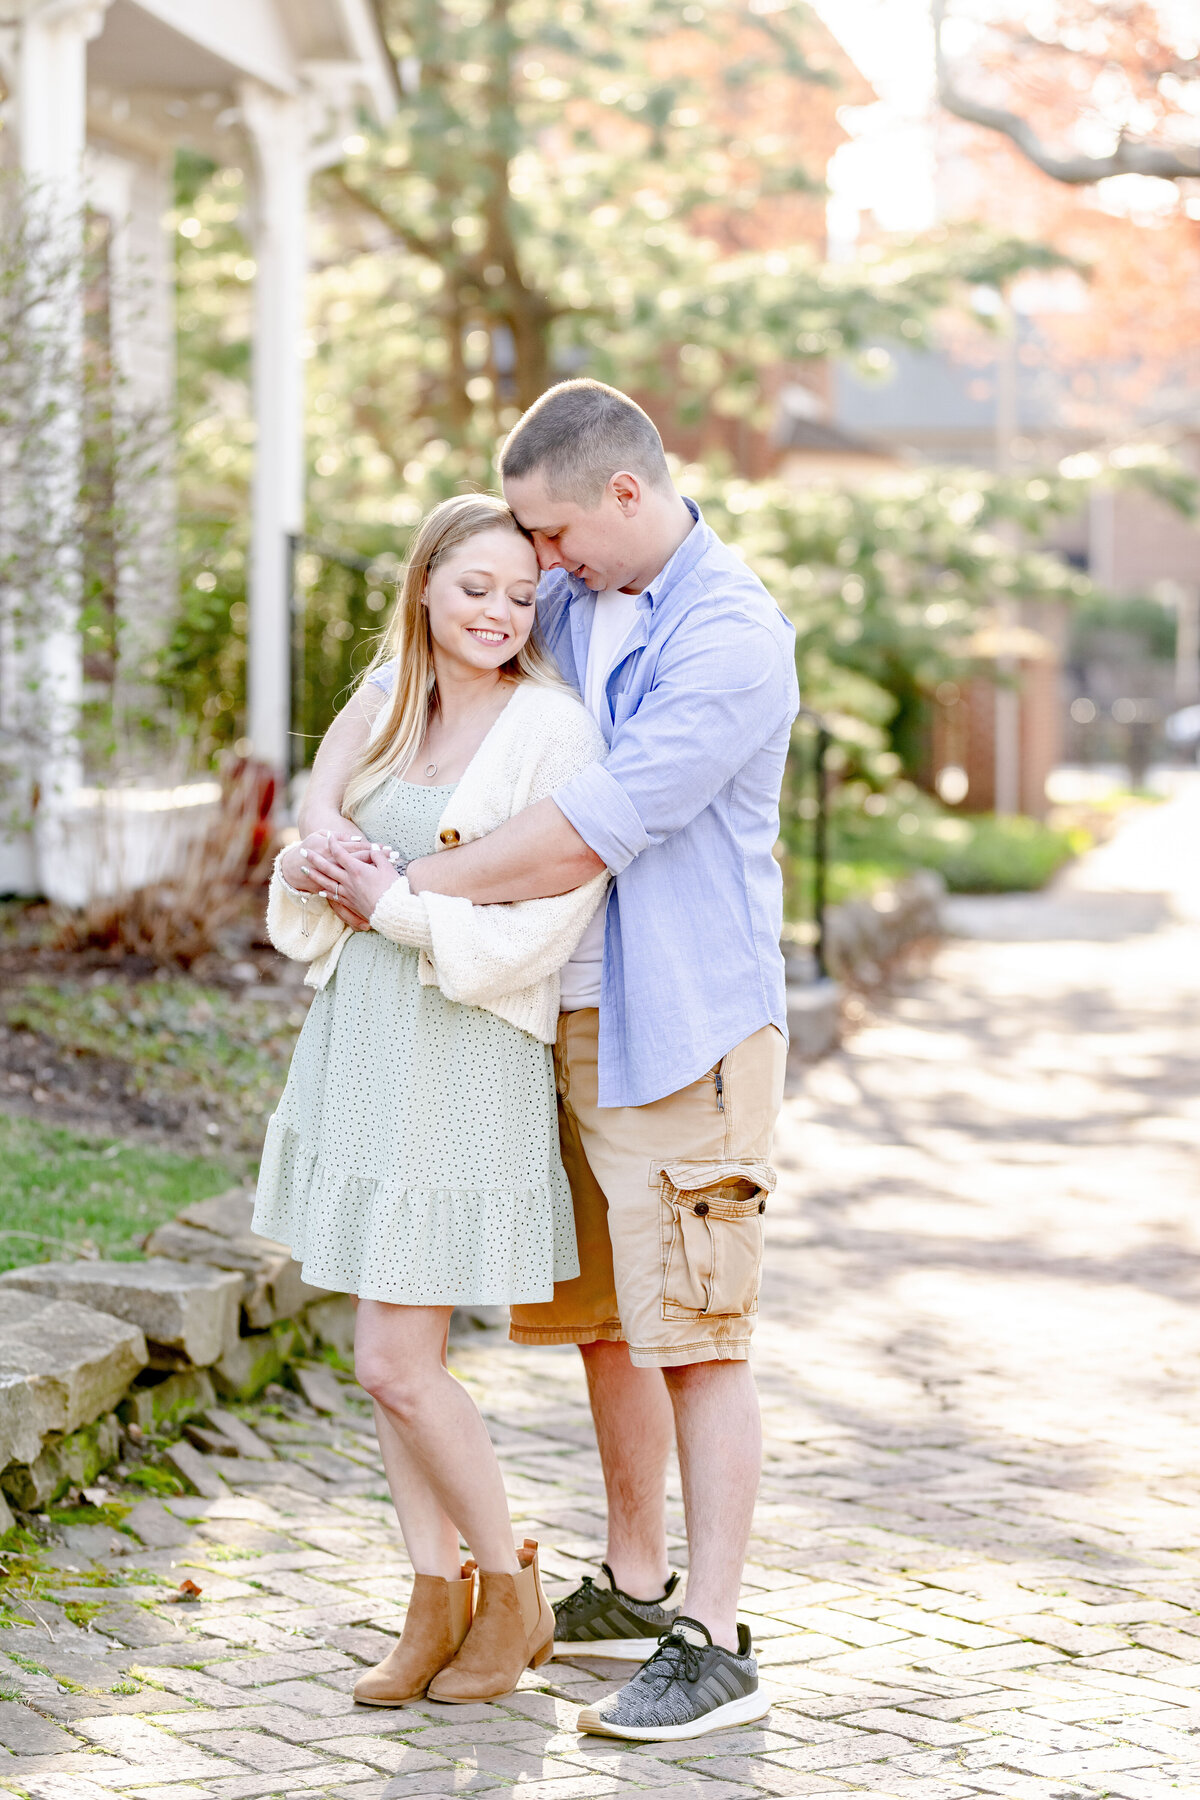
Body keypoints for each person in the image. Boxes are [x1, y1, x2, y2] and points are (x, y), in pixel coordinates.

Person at [302, 380, 799, 1743]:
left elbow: (587, 830)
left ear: (627, 497)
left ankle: (713, 1632)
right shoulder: (578, 598)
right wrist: (320, 815)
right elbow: (433, 673)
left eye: (558, 533)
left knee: (699, 1334)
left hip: (682, 1027)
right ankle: (634, 1588)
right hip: (553, 1024)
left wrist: (402, 878)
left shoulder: (732, 638)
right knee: (601, 1328)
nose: (544, 565)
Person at [257, 493, 608, 1708]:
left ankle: (512, 1596)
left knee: (398, 1360)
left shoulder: (552, 729)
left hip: (461, 1053)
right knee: (388, 1362)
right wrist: (311, 865)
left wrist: (390, 907)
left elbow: (550, 915)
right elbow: (312, 848)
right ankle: (434, 1597)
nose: (502, 614)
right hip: (363, 1040)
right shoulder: (387, 706)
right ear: (422, 588)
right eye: (476, 590)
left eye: (522, 596)